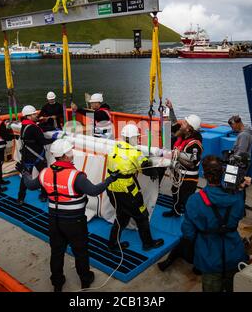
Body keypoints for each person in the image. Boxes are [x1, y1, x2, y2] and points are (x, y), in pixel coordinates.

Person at [17, 139, 120, 292]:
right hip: (74, 221)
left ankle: (57, 283)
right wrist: (110, 179)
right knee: (81, 251)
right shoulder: (76, 176)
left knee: (57, 252)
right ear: (65, 155)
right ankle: (85, 280)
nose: (72, 153)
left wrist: (24, 173)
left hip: (54, 220)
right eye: (70, 151)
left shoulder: (45, 172)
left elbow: (30, 185)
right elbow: (93, 191)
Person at [181, 155, 249, 292]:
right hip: (234, 254)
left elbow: (188, 232)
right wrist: (241, 188)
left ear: (204, 174)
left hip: (208, 258)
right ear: (223, 172)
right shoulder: (237, 197)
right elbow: (240, 215)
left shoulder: (195, 200)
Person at [106, 124, 164, 251]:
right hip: (127, 191)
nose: (137, 140)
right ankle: (148, 243)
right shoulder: (135, 153)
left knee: (122, 215)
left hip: (111, 188)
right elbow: (147, 169)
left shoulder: (115, 146)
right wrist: (156, 170)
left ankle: (112, 244)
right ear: (131, 138)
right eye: (136, 138)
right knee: (142, 216)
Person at [163, 105, 204, 217]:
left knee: (186, 199)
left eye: (185, 123)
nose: (182, 124)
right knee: (175, 192)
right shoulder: (183, 134)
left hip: (188, 178)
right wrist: (170, 110)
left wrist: (176, 155)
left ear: (189, 128)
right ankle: (175, 211)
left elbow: (193, 161)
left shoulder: (195, 144)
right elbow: (174, 122)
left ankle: (191, 220)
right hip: (178, 174)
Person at [17, 105, 54, 204]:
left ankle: (20, 198)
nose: (36, 115)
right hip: (37, 156)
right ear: (28, 116)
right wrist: (55, 138)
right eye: (34, 114)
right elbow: (43, 141)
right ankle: (43, 195)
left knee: (25, 176)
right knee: (43, 175)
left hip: (27, 156)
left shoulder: (24, 126)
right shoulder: (34, 128)